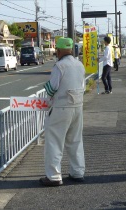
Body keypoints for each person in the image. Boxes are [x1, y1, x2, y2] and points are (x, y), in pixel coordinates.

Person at [40, 37, 85, 187]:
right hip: (77, 106)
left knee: (54, 141)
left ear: (58, 51)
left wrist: (46, 87)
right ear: (71, 50)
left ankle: (53, 176)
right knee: (75, 140)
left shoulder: (60, 66)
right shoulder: (80, 65)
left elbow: (52, 88)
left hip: (61, 107)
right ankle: (77, 172)